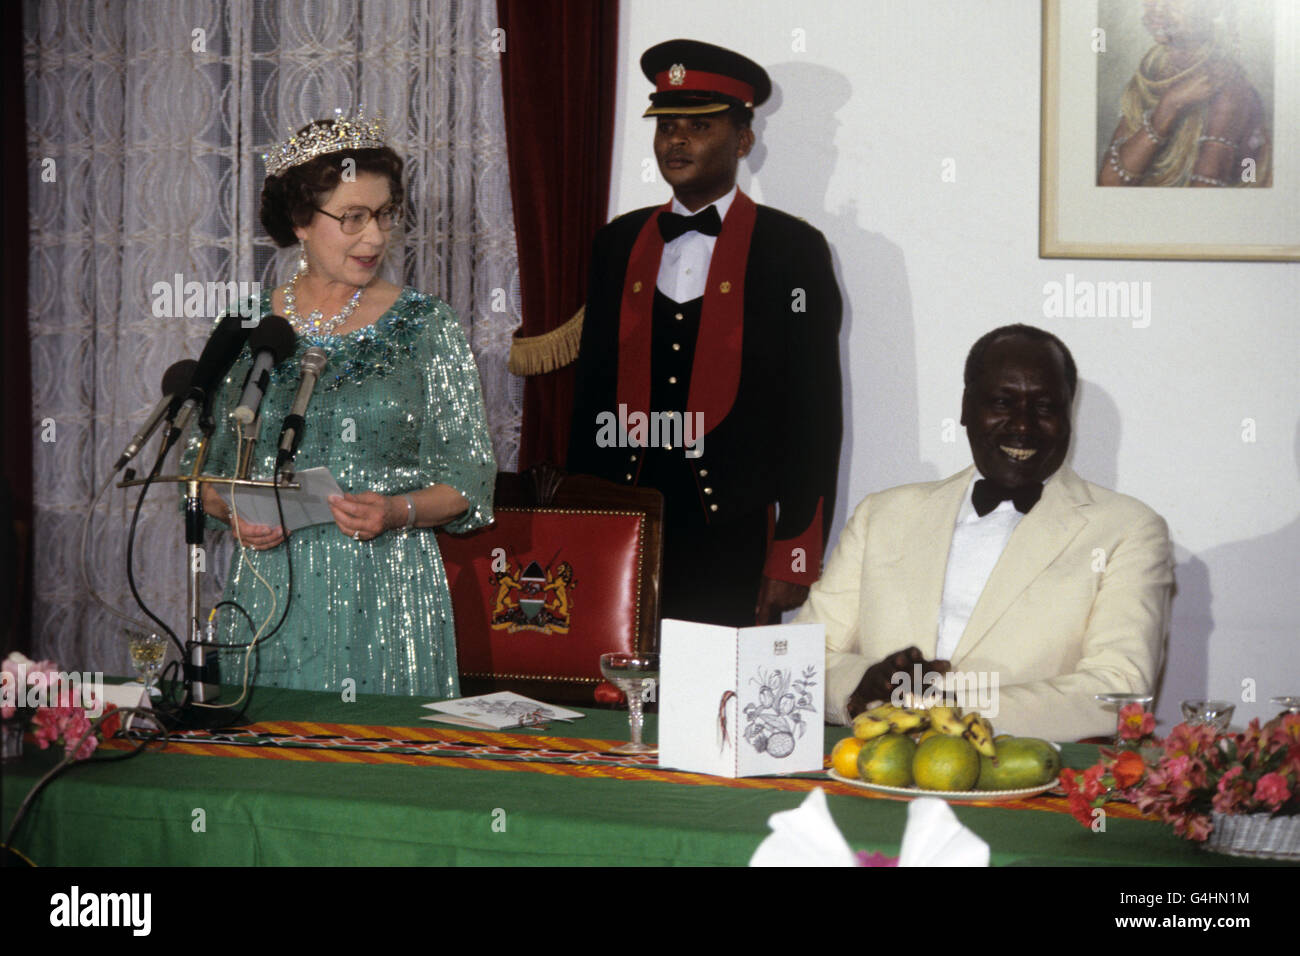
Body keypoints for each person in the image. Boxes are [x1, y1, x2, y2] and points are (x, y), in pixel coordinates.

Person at [182, 110, 496, 698]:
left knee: (382, 776)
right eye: (352, 217)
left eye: (383, 215)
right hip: (267, 592)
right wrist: (234, 511)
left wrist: (396, 511)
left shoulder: (426, 326)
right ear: (301, 220)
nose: (374, 236)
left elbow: (468, 481)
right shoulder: (250, 325)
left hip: (389, 588)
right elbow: (200, 473)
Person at [567, 40, 842, 628]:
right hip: (625, 523)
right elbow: (591, 396)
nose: (676, 140)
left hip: (734, 535)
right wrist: (580, 525)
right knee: (608, 700)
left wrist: (793, 555)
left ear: (744, 140)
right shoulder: (616, 243)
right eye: (666, 125)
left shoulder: (793, 251)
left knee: (719, 709)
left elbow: (815, 416)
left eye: (699, 125)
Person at [797, 325, 1173, 742]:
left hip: (1027, 785)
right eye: (1002, 402)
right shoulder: (881, 514)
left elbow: (1119, 692)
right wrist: (865, 683)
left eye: (1046, 407)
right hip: (870, 771)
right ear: (965, 407)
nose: (1023, 427)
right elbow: (803, 656)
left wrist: (939, 706)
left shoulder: (1128, 529)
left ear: (1069, 416)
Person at [1098, 0, 1271, 187]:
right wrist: (1170, 105)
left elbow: (1205, 196)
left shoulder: (1227, 87)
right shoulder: (1151, 76)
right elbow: (1109, 181)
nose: (1157, 8)